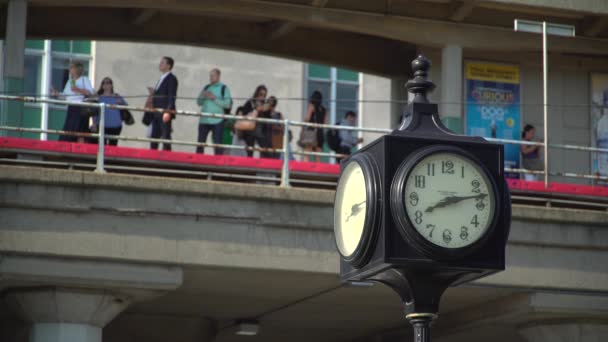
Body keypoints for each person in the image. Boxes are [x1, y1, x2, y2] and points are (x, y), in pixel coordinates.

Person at [51, 61, 94, 143]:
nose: (69, 70)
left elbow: (90, 93)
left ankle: (80, 149)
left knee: (80, 131)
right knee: (68, 130)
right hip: (71, 108)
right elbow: (65, 96)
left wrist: (77, 89)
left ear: (77, 69)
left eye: (71, 67)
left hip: (81, 108)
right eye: (69, 68)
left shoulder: (84, 79)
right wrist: (56, 93)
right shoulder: (69, 81)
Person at [196, 68, 232, 155]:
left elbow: (227, 104)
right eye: (210, 76)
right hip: (204, 120)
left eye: (213, 75)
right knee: (200, 143)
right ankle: (198, 161)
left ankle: (218, 163)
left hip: (217, 120)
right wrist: (203, 96)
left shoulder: (224, 88)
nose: (211, 77)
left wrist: (214, 98)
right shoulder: (206, 87)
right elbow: (199, 102)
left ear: (218, 76)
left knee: (217, 144)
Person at [145, 56, 178, 151]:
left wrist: (168, 111)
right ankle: (153, 154)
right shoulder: (162, 78)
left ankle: (167, 156)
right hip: (156, 112)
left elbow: (172, 95)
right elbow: (163, 93)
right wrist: (154, 93)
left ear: (168, 66)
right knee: (154, 135)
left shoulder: (171, 78)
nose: (160, 64)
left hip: (164, 112)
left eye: (163, 63)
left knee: (165, 135)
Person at [89, 77, 127, 146]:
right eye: (104, 83)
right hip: (101, 125)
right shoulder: (98, 97)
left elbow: (125, 108)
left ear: (111, 85)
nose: (106, 85)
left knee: (113, 146)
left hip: (116, 126)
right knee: (101, 146)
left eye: (108, 83)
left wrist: (120, 102)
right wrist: (94, 123)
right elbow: (93, 111)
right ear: (102, 85)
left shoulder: (117, 96)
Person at [240, 85, 270, 157]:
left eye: (264, 95)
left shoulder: (265, 105)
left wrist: (267, 110)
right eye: (260, 94)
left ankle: (265, 164)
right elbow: (244, 113)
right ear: (256, 94)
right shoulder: (250, 102)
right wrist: (255, 110)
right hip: (250, 130)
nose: (262, 97)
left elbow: (268, 117)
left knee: (266, 151)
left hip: (260, 131)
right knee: (250, 152)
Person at [302, 90, 328, 162]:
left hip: (311, 132)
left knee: (307, 154)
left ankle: (306, 169)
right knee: (318, 156)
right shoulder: (324, 110)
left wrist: (303, 123)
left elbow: (307, 118)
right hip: (320, 133)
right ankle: (318, 171)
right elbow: (325, 124)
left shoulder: (311, 106)